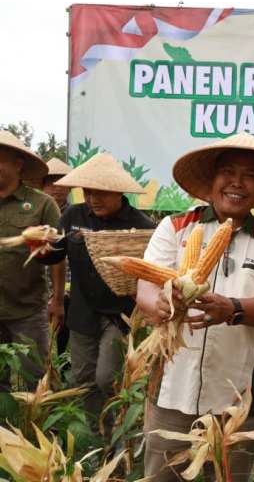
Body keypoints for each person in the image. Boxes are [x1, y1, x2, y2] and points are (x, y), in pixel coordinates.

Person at [136, 132, 254, 481]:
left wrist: (233, 309)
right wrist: (160, 304)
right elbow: (146, 285)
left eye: (249, 176)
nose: (237, 183)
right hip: (172, 389)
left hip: (238, 398)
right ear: (212, 179)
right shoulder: (176, 227)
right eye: (228, 172)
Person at [37, 153, 154, 418]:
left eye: (101, 193)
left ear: (119, 192)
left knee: (106, 377)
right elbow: (56, 254)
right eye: (88, 192)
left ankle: (116, 427)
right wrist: (41, 247)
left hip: (119, 315)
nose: (93, 199)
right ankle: (96, 431)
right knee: (83, 378)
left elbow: (153, 271)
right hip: (83, 311)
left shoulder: (142, 225)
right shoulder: (73, 215)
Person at [0, 131, 61, 389]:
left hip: (27, 310)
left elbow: (58, 255)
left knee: (35, 379)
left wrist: (58, 299)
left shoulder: (42, 204)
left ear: (18, 164)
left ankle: (36, 415)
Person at [41, 157, 72, 359]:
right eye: (51, 183)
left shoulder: (76, 215)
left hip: (68, 281)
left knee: (63, 326)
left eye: (61, 183)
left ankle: (62, 365)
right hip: (39, 281)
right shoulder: (36, 212)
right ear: (42, 186)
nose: (56, 188)